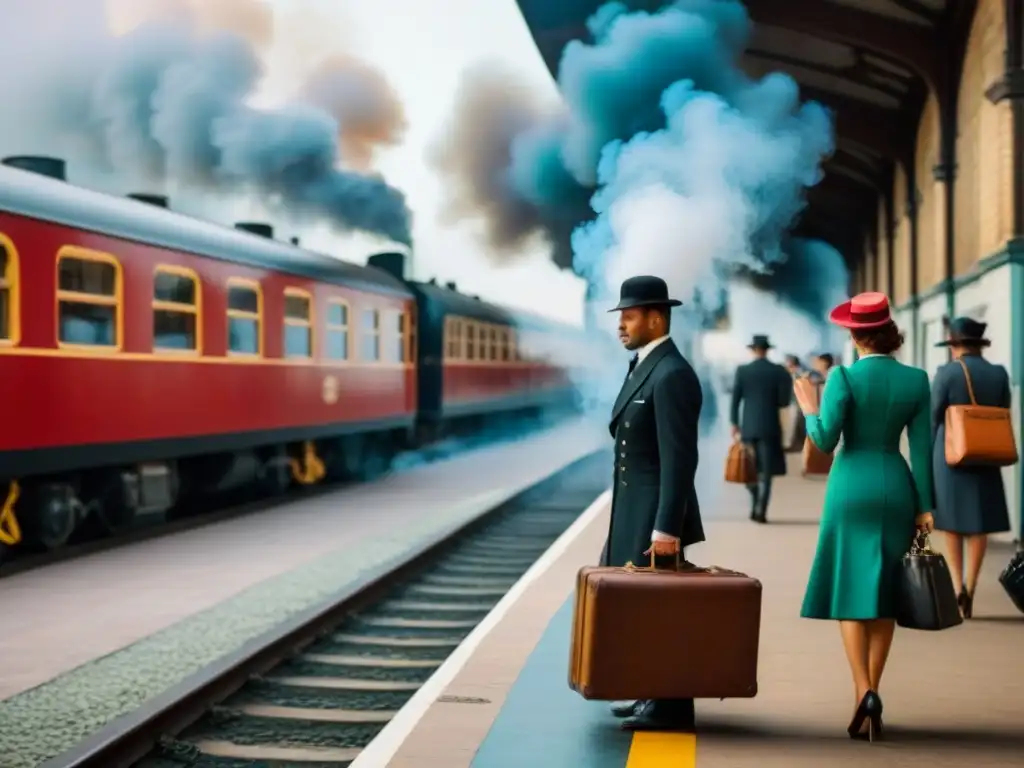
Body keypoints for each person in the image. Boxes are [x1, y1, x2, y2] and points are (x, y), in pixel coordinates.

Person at [794, 292, 934, 743]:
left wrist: (809, 408)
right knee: (885, 596)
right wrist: (925, 505)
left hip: (850, 488)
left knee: (851, 592)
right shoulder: (916, 380)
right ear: (890, 332)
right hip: (896, 485)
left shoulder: (842, 378)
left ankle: (863, 691)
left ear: (854, 335)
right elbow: (924, 451)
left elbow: (824, 439)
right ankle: (874, 688)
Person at [604, 275, 705, 732]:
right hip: (634, 506)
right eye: (621, 316)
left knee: (662, 609)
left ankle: (671, 704)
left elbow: (680, 459)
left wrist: (667, 527)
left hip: (654, 513)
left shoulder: (673, 373)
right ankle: (651, 692)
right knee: (645, 607)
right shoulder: (648, 364)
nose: (622, 324)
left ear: (657, 317)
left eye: (630, 315)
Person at [930, 317, 1012, 619]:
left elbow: (933, 417)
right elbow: (1004, 409)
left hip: (950, 456)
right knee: (980, 524)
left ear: (954, 346)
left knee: (951, 522)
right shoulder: (998, 374)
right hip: (986, 453)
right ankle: (972, 586)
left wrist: (926, 458)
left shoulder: (947, 373)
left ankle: (956, 586)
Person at [729, 335, 792, 523]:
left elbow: (735, 400)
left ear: (753, 350)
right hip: (770, 426)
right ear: (767, 350)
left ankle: (754, 499)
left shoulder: (742, 371)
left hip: (748, 427)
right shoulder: (778, 371)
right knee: (767, 471)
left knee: (750, 468)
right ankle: (761, 510)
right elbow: (784, 401)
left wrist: (734, 423)